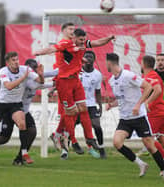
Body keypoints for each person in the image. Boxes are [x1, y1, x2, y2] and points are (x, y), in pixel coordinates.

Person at [34, 24, 114, 160]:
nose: (83, 42)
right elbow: (52, 48)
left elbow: (97, 42)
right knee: (70, 113)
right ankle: (73, 142)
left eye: (84, 40)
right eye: (80, 39)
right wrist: (39, 52)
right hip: (64, 82)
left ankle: (89, 138)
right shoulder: (65, 43)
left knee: (83, 108)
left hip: (75, 80)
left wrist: (109, 38)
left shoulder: (81, 45)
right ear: (73, 37)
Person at [0, 59, 52, 165]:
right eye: (32, 69)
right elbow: (37, 85)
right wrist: (55, 83)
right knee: (4, 138)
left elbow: (45, 76)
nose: (33, 72)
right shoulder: (26, 79)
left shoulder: (32, 76)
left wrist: (60, 75)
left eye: (34, 69)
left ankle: (20, 157)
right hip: (9, 108)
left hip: (22, 110)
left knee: (32, 132)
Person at [106, 53, 164, 180]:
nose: (106, 65)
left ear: (110, 63)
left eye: (106, 63)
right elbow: (121, 99)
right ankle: (141, 164)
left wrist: (138, 104)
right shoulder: (111, 80)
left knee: (150, 145)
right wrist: (111, 105)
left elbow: (148, 87)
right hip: (125, 118)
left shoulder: (129, 75)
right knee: (117, 142)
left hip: (139, 116)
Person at [79, 50, 106, 158]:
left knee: (97, 126)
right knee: (68, 127)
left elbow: (98, 91)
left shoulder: (97, 75)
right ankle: (65, 151)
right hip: (77, 104)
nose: (88, 59)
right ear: (83, 59)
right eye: (86, 57)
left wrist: (100, 105)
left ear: (94, 60)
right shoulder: (77, 71)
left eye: (91, 57)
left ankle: (102, 149)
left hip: (90, 105)